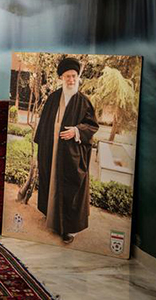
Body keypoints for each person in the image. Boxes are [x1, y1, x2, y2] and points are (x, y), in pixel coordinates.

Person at [34, 57, 99, 244]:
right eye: (67, 76)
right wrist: (44, 146)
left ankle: (69, 229)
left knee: (71, 188)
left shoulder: (84, 101)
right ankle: (53, 219)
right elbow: (44, 124)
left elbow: (92, 126)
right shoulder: (53, 98)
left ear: (78, 78)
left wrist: (77, 131)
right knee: (52, 181)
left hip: (71, 155)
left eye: (74, 76)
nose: (71, 80)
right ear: (61, 78)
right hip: (53, 152)